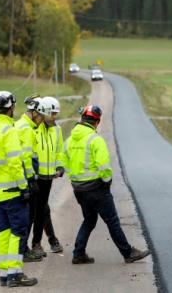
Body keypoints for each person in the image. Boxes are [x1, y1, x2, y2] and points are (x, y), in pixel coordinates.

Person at [62, 105, 150, 264]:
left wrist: (76, 179)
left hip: (79, 189)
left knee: (89, 220)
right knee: (112, 221)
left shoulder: (68, 140)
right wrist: (106, 182)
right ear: (96, 122)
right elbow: (104, 167)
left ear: (82, 120)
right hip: (96, 189)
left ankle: (78, 253)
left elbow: (64, 163)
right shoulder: (95, 140)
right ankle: (128, 253)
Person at [0, 91, 38, 287]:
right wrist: (25, 186)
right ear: (11, 108)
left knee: (3, 232)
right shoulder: (10, 131)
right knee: (18, 232)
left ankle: (4, 274)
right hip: (14, 191)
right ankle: (16, 273)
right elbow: (15, 162)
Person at [15, 95, 50, 261]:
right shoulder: (27, 129)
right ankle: (23, 250)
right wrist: (31, 180)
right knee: (27, 216)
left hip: (20, 176)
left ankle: (23, 248)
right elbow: (26, 157)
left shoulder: (21, 124)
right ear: (35, 113)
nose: (42, 121)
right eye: (42, 117)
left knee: (25, 215)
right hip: (25, 178)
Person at [32, 96, 65, 256]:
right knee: (38, 211)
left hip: (48, 178)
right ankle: (39, 243)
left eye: (56, 113)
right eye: (52, 113)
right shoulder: (33, 129)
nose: (54, 117)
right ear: (43, 112)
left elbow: (59, 151)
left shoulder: (57, 130)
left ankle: (42, 242)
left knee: (42, 209)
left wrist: (59, 166)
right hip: (34, 177)